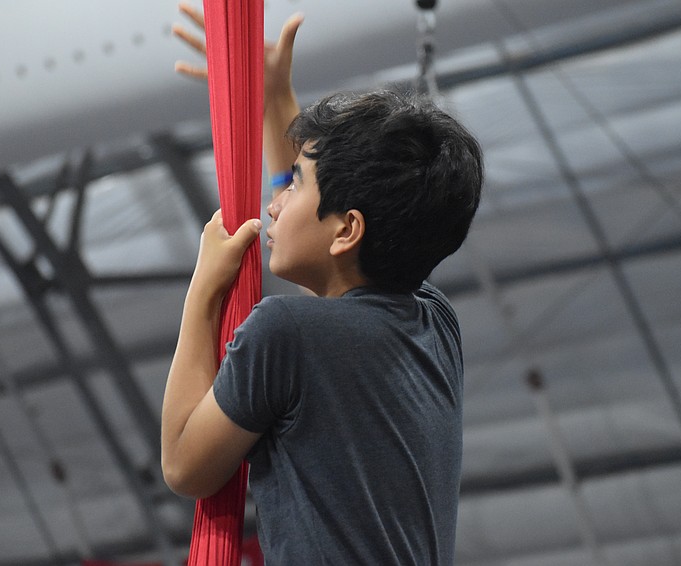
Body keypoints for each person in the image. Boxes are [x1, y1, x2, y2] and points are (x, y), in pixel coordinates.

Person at [161, 4, 484, 564]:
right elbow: (332, 237)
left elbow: (185, 465)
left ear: (348, 229)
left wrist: (204, 291)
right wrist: (275, 103)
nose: (274, 201)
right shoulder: (435, 324)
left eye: (296, 184)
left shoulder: (284, 334)